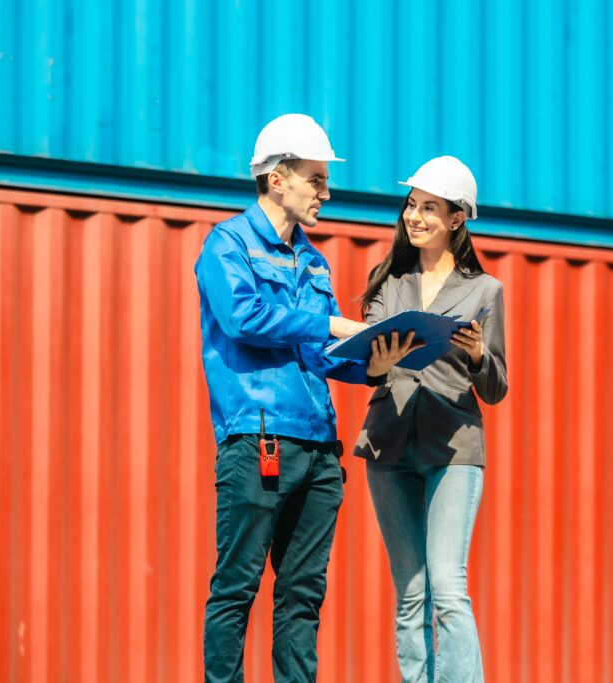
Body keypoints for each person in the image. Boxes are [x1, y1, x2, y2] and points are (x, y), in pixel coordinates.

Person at [195, 114, 414, 682]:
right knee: (237, 586)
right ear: (276, 179)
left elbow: (317, 353)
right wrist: (332, 325)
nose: (326, 192)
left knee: (301, 597)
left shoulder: (312, 260)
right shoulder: (227, 245)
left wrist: (372, 363)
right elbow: (243, 318)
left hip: (319, 450)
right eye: (315, 179)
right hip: (258, 437)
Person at [354, 156, 508, 682]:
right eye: (411, 206)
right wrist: (374, 365)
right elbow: (365, 364)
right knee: (411, 591)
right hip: (388, 443)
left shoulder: (485, 291)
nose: (413, 217)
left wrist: (476, 356)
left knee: (447, 588)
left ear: (457, 219)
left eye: (428, 209)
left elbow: (496, 387)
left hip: (453, 445)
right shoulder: (388, 280)